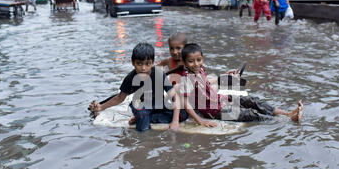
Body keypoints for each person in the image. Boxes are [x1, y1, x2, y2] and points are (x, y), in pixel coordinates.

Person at [170, 44, 303, 128]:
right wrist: (200, 121)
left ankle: (287, 113)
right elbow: (186, 103)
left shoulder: (201, 70)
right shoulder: (187, 78)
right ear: (185, 62)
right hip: (214, 110)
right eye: (191, 61)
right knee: (249, 114)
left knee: (252, 100)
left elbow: (206, 83)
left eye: (198, 60)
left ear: (203, 59)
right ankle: (284, 121)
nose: (196, 64)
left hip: (220, 99)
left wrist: (224, 76)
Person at [88, 43, 188, 132]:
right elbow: (119, 98)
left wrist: (175, 121)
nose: (143, 68)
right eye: (139, 64)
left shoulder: (158, 74)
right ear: (133, 62)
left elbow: (174, 97)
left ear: (152, 63)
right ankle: (143, 126)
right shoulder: (130, 78)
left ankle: (149, 118)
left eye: (147, 64)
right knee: (143, 120)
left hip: (158, 104)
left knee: (183, 114)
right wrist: (101, 107)